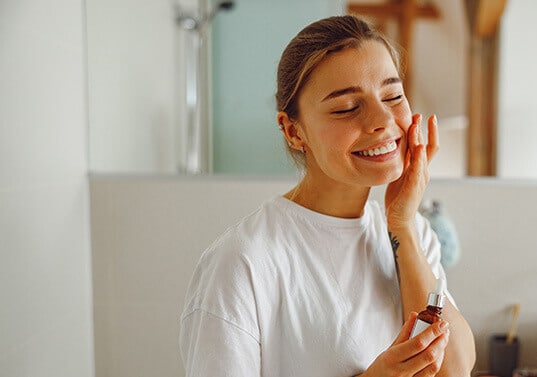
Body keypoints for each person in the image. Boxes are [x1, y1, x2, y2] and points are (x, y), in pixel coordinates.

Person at [179, 14, 476, 377]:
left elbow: (455, 370)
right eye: (347, 108)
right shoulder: (243, 262)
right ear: (293, 131)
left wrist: (402, 224)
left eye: (392, 95)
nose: (382, 119)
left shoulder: (407, 232)